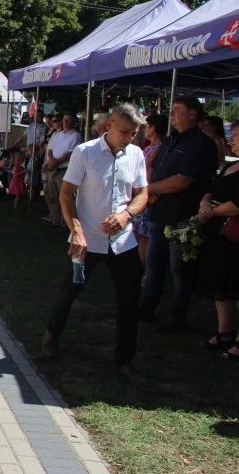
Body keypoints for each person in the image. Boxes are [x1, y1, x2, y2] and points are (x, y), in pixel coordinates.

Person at [43, 104, 148, 385]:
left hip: (122, 243)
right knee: (70, 290)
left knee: (129, 301)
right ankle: (52, 335)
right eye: (125, 131)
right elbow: (66, 194)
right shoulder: (85, 152)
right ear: (109, 124)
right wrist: (76, 230)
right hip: (87, 240)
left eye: (135, 133)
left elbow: (142, 194)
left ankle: (124, 360)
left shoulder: (136, 154)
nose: (130, 137)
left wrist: (127, 214)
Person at [139, 96, 218, 331]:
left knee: (179, 269)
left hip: (182, 216)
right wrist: (150, 190)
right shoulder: (171, 139)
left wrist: (149, 190)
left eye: (177, 110)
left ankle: (177, 318)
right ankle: (146, 309)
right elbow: (154, 166)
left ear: (193, 113)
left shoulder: (201, 144)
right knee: (153, 264)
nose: (172, 115)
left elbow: (183, 181)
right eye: (171, 111)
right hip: (159, 212)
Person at [194, 119, 239, 360]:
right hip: (219, 235)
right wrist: (205, 202)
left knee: (237, 287)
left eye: (238, 135)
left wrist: (212, 211)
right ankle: (225, 332)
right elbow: (212, 187)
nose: (233, 138)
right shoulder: (230, 166)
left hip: (236, 235)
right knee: (221, 287)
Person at [131, 113, 167, 267]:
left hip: (146, 194)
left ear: (154, 128)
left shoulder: (159, 149)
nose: (144, 129)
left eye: (147, 126)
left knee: (145, 236)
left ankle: (145, 269)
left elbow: (148, 173)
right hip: (140, 193)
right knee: (140, 235)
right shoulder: (149, 147)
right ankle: (142, 266)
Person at [43, 113, 81, 227]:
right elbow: (50, 149)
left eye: (69, 121)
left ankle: (67, 222)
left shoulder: (76, 135)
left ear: (73, 122)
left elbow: (71, 152)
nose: (66, 123)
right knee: (52, 195)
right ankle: (55, 219)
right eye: (65, 120)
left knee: (64, 196)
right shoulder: (57, 135)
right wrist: (51, 160)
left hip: (64, 169)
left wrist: (56, 161)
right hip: (52, 169)